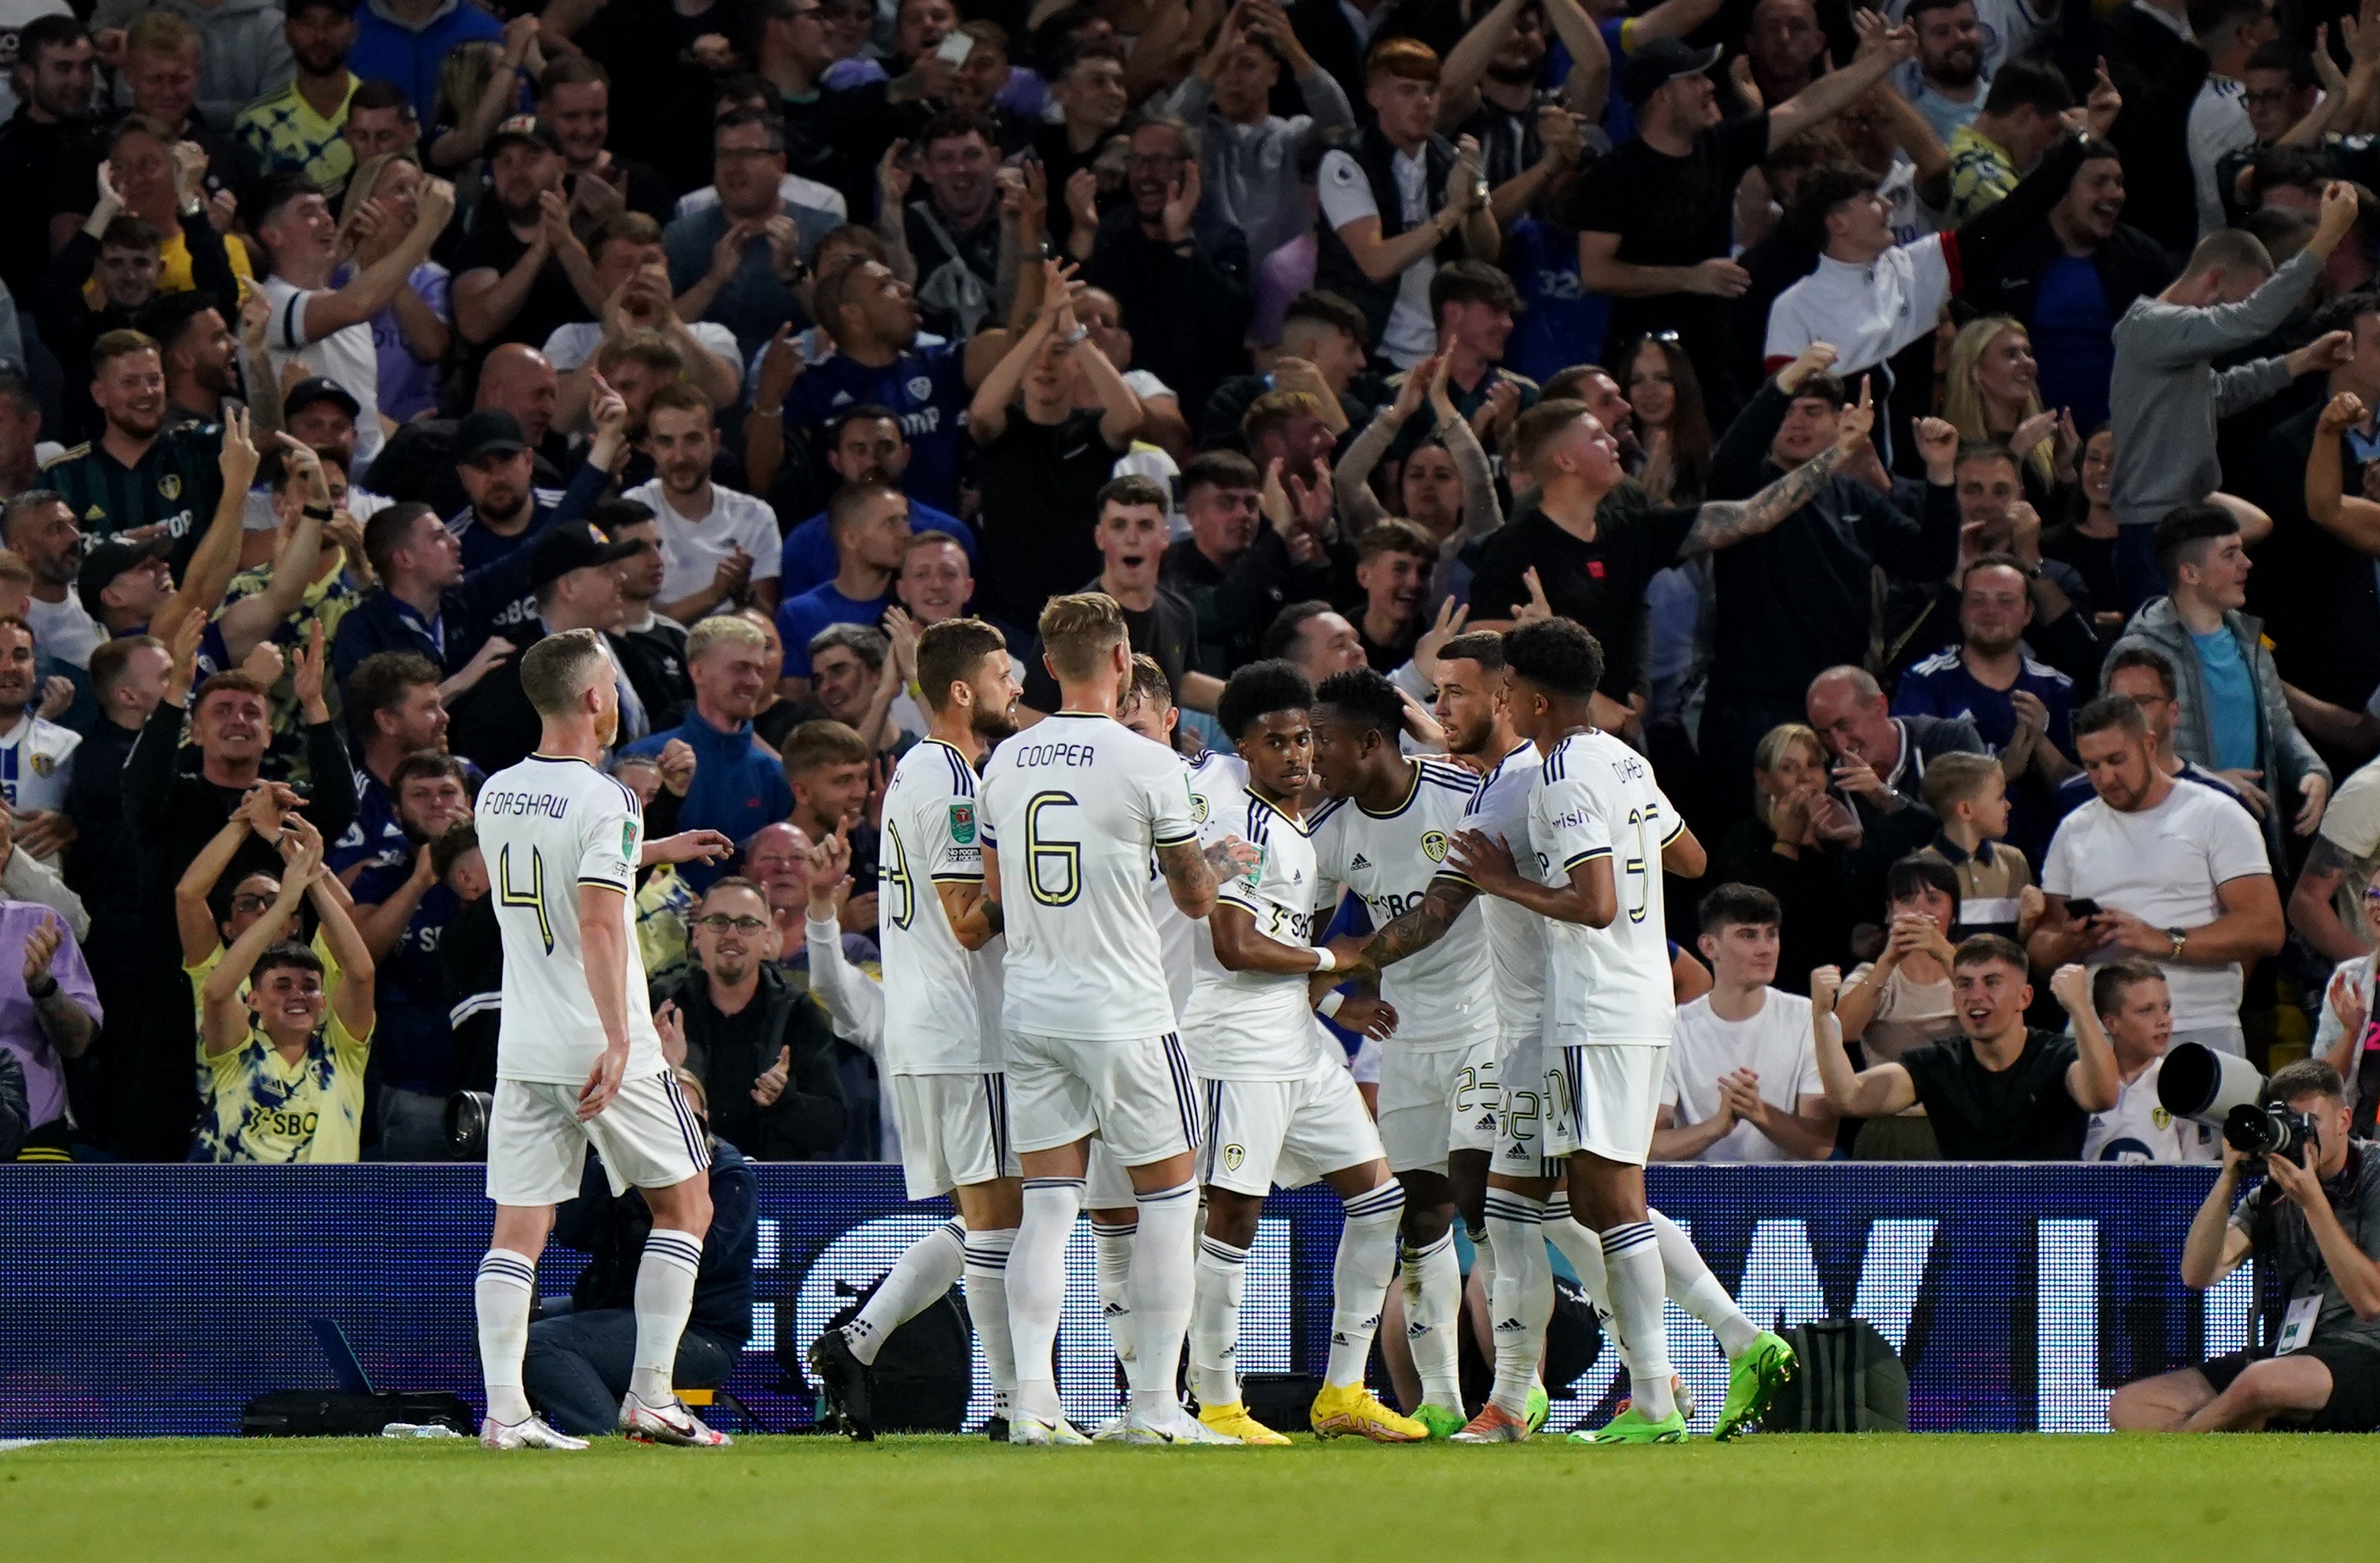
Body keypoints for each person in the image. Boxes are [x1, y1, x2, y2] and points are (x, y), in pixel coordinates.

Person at [468, 627, 735, 1452]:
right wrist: (623, 1039)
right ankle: (652, 1396)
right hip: (597, 1042)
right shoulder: (609, 796)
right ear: (593, 698)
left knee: (520, 1230)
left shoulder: (495, 795)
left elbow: (558, 870)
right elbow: (593, 916)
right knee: (686, 1205)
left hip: (525, 1046)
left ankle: (505, 1413)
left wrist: (652, 851)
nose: (615, 701)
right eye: (613, 688)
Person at [976, 591, 1224, 1445]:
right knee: (1166, 1201)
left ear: (1046, 665)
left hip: (1032, 1007)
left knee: (1048, 1207)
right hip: (1122, 1008)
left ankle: (1033, 1407)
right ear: (1123, 663)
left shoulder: (1004, 763)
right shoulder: (1150, 764)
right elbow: (1194, 901)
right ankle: (1154, 1408)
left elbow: (996, 896)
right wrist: (1213, 872)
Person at [1165, 659, 1423, 1445]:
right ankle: (1215, 1401)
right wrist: (1333, 962)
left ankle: (1343, 1391)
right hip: (1235, 1047)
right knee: (1235, 1215)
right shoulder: (1238, 829)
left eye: (1304, 739)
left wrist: (1332, 994)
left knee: (1379, 1200)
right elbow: (1235, 943)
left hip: (1300, 1048)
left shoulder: (1299, 829)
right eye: (1274, 742)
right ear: (1242, 747)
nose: (1295, 755)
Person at [808, 616, 1024, 1439]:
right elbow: (971, 922)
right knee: (1005, 1220)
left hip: (930, 1025)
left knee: (990, 1216)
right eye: (1005, 676)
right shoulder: (952, 781)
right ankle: (1012, 1404)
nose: (1018, 689)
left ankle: (858, 1340)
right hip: (967, 1028)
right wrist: (1055, 889)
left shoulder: (918, 774)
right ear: (964, 691)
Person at [1295, 665, 1492, 1430]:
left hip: (1490, 1025)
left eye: (1323, 742)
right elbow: (1297, 954)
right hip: (1408, 1042)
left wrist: (1349, 970)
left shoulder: (1460, 792)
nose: (1313, 759)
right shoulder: (1329, 836)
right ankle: (1441, 1401)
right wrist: (1344, 1003)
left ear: (1371, 743)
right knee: (1420, 1216)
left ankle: (1517, 1391)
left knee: (1491, 1204)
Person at [1468, 382, 1881, 734]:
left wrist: (1838, 452)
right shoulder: (1517, 547)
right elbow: (1483, 647)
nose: (1614, 443)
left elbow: (1752, 515)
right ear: (1565, 460)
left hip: (1620, 741)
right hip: (1543, 745)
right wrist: (1587, 702)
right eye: (1597, 438)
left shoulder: (1629, 529)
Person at [1569, 23, 1917, 419]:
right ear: (1663, 96)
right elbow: (1597, 272)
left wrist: (1884, 60)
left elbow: (1808, 105)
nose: (1709, 87)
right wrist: (1688, 277)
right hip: (1641, 363)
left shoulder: (1720, 147)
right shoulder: (1615, 175)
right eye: (1694, 79)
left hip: (1713, 359)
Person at [2107, 187, 2359, 602]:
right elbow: (2251, 320)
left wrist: (2300, 361)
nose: (2236, 323)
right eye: (2238, 303)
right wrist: (2326, 237)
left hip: (2182, 517)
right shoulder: (2151, 326)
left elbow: (2218, 394)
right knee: (2166, 660)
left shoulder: (2170, 341)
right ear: (2214, 280)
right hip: (2155, 529)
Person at [2108, 1058, 2380, 1432]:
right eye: (2288, 1125)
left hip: (2368, 1352)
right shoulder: (2274, 1192)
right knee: (2133, 1405)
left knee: (2261, 1383)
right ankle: (2241, 1426)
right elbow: (2198, 1274)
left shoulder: (2373, 1174)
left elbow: (2372, 1303)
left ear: (2344, 1120)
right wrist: (2228, 1178)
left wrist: (2313, 1203)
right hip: (2296, 1354)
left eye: (2310, 1123)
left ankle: (2182, 1452)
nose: (2301, 1137)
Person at [2029, 692, 2283, 1058]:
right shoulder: (2074, 829)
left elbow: (2266, 928)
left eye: (2117, 760)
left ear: (2149, 745)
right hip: (2100, 1031)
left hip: (2196, 1022)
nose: (2105, 777)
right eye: (2092, 765)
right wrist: (2071, 943)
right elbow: (2043, 946)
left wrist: (2161, 940)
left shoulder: (2217, 814)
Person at [523, 1083, 757, 1435]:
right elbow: (573, 1234)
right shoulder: (617, 1162)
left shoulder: (727, 1175)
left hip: (697, 1335)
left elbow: (704, 1260)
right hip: (611, 1311)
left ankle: (609, 1438)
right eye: (660, 1120)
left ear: (706, 1121)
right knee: (503, 1330)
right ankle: (529, 1424)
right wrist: (612, 1165)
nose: (675, 1131)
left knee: (538, 1343)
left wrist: (653, 1198)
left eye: (688, 1120)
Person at [2106, 503, 2329, 864]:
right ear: (2191, 573)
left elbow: (2280, 728)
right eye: (2230, 554)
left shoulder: (2249, 641)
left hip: (2248, 840)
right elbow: (2123, 753)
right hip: (2171, 845)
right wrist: (2210, 783)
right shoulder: (2138, 656)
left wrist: (2313, 771)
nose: (2247, 563)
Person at [1815, 939, 2118, 1157]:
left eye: (1991, 983)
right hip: (1971, 1225)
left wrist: (2079, 1007)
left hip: (2051, 1223)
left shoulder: (2056, 1055)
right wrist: (1822, 1016)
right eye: (1965, 984)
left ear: (2024, 998)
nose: (1976, 996)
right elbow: (1849, 1098)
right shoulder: (1941, 1062)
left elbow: (2102, 1096)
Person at [965, 261, 1141, 640]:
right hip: (1007, 620)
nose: (1045, 364)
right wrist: (1045, 322)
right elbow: (980, 412)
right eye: (1035, 354)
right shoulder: (1002, 428)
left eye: (1059, 353)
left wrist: (1075, 334)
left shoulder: (1091, 432)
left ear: (1077, 365)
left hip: (1081, 619)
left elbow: (1128, 418)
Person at [246, 167, 457, 467]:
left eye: (325, 209)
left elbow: (366, 417)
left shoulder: (343, 308)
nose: (328, 219)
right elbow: (358, 304)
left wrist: (412, 439)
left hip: (368, 482)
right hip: (309, 480)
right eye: (308, 212)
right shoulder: (267, 304)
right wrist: (428, 228)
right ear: (272, 235)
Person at [1313, 39, 1498, 372]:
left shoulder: (1449, 158)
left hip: (1443, 349)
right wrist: (1451, 212)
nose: (1424, 103)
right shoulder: (1346, 162)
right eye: (1407, 91)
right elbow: (1376, 262)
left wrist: (1476, 195)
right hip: (1370, 351)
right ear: (1376, 97)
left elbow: (1487, 253)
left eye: (1431, 91)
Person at [196, 826, 377, 1163]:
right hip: (243, 1213)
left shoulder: (343, 1054)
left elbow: (362, 974)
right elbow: (217, 993)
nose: (298, 995)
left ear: (323, 1001)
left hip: (327, 1212)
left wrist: (309, 874)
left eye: (310, 987)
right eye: (282, 986)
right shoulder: (236, 1056)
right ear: (253, 1001)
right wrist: (283, 906)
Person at [651, 877, 846, 1159]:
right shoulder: (662, 1006)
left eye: (747, 923)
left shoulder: (797, 1012)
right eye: (718, 921)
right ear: (696, 935)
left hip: (773, 1190)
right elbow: (622, 1115)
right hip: (683, 1180)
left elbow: (833, 1128)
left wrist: (783, 1102)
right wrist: (662, 1074)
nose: (732, 934)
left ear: (767, 940)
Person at [1083, 114, 1252, 419]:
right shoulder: (1114, 233)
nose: (1145, 174)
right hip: (1129, 403)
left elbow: (1230, 325)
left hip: (1203, 407)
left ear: (1192, 168)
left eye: (1161, 161)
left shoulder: (1222, 241)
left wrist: (1181, 242)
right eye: (1136, 161)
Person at [1653, 882, 1834, 1163]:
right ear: (1709, 946)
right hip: (1696, 1197)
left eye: (1771, 935)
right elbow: (1650, 1147)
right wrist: (1716, 1128)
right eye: (1748, 936)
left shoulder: (1810, 1021)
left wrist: (1757, 1112)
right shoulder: (1673, 1028)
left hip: (1788, 1198)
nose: (1765, 949)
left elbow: (1819, 1146)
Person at [1165, 0, 1354, 266]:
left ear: (1274, 73)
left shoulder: (1293, 136)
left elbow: (1341, 127)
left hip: (1285, 288)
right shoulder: (1198, 137)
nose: (1233, 78)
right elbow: (1163, 135)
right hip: (1212, 284)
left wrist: (1292, 48)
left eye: (1247, 65)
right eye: (1223, 66)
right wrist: (1211, 62)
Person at [620, 617, 791, 892]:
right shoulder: (643, 758)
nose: (754, 682)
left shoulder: (773, 775)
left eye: (759, 670)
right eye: (740, 669)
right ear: (697, 672)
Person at [42, 329, 227, 573]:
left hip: (202, 607)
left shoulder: (197, 447)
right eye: (130, 382)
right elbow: (46, 570)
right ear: (99, 394)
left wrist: (256, 354)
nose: (146, 392)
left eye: (154, 380)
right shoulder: (61, 477)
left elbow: (266, 437)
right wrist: (116, 553)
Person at [663, 109, 839, 364]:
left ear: (780, 166)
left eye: (747, 154)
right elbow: (653, 332)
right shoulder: (681, 236)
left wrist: (793, 272)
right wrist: (713, 281)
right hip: (705, 391)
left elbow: (847, 324)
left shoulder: (823, 230)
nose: (733, 168)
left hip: (803, 384)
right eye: (724, 155)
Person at [623, 384, 782, 625]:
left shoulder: (756, 517)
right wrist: (714, 595)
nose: (680, 456)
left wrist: (742, 593)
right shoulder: (632, 511)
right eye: (666, 442)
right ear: (650, 448)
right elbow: (633, 620)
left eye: (692, 440)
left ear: (715, 441)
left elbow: (765, 623)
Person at [451, 115, 604, 362]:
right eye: (504, 160)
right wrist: (537, 252)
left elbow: (617, 314)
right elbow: (474, 326)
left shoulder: (593, 236)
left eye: (532, 157)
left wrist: (563, 242)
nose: (517, 172)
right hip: (502, 393)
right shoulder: (480, 244)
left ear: (561, 165)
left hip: (584, 386)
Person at [2080, 959, 2217, 1162]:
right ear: (2111, 1023)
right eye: (2146, 1010)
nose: (2163, 1020)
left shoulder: (2184, 1086)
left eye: (2166, 1007)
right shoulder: (2083, 1087)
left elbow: (2197, 1172)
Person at [235, 0, 363, 195]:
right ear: (287, 32)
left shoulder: (384, 112)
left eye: (333, 23)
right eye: (308, 23)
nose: (320, 36)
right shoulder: (257, 122)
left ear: (353, 31)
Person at [1914, 749, 2038, 943]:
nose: (2008, 806)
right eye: (2000, 798)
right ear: (1965, 810)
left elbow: (2021, 948)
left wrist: (2029, 923)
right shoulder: (1920, 869)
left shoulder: (2014, 861)